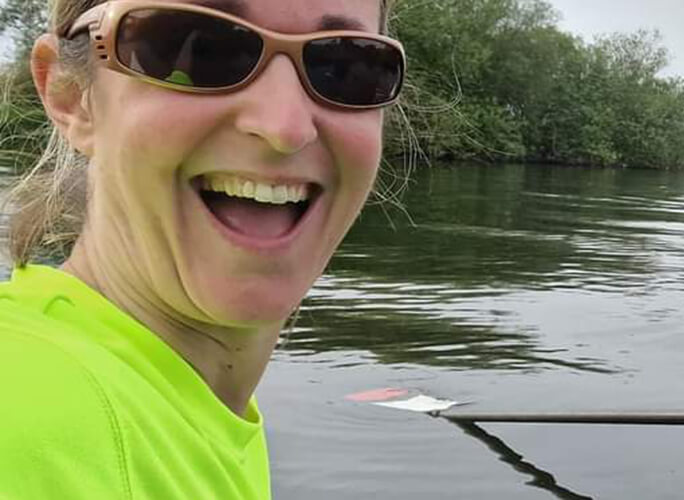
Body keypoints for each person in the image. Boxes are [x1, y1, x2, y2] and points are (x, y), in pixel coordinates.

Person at [0, 0, 404, 498]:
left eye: (344, 66)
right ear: (70, 96)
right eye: (201, 51)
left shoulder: (174, 413)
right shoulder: (26, 415)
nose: (285, 127)